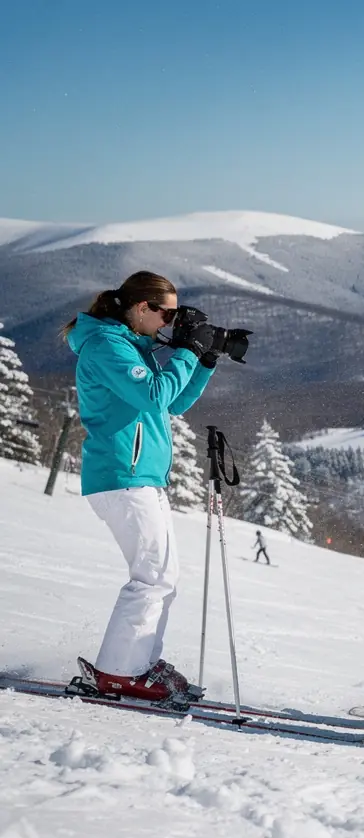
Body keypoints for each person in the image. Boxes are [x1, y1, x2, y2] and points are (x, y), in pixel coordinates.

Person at [62, 271, 224, 706]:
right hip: (122, 476)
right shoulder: (107, 347)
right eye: (165, 313)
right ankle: (118, 673)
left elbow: (173, 402)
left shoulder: (132, 345)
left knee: (164, 579)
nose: (170, 323)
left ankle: (140, 663)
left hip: (142, 478)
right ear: (140, 308)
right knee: (151, 577)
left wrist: (204, 360)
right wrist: (187, 350)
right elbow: (154, 395)